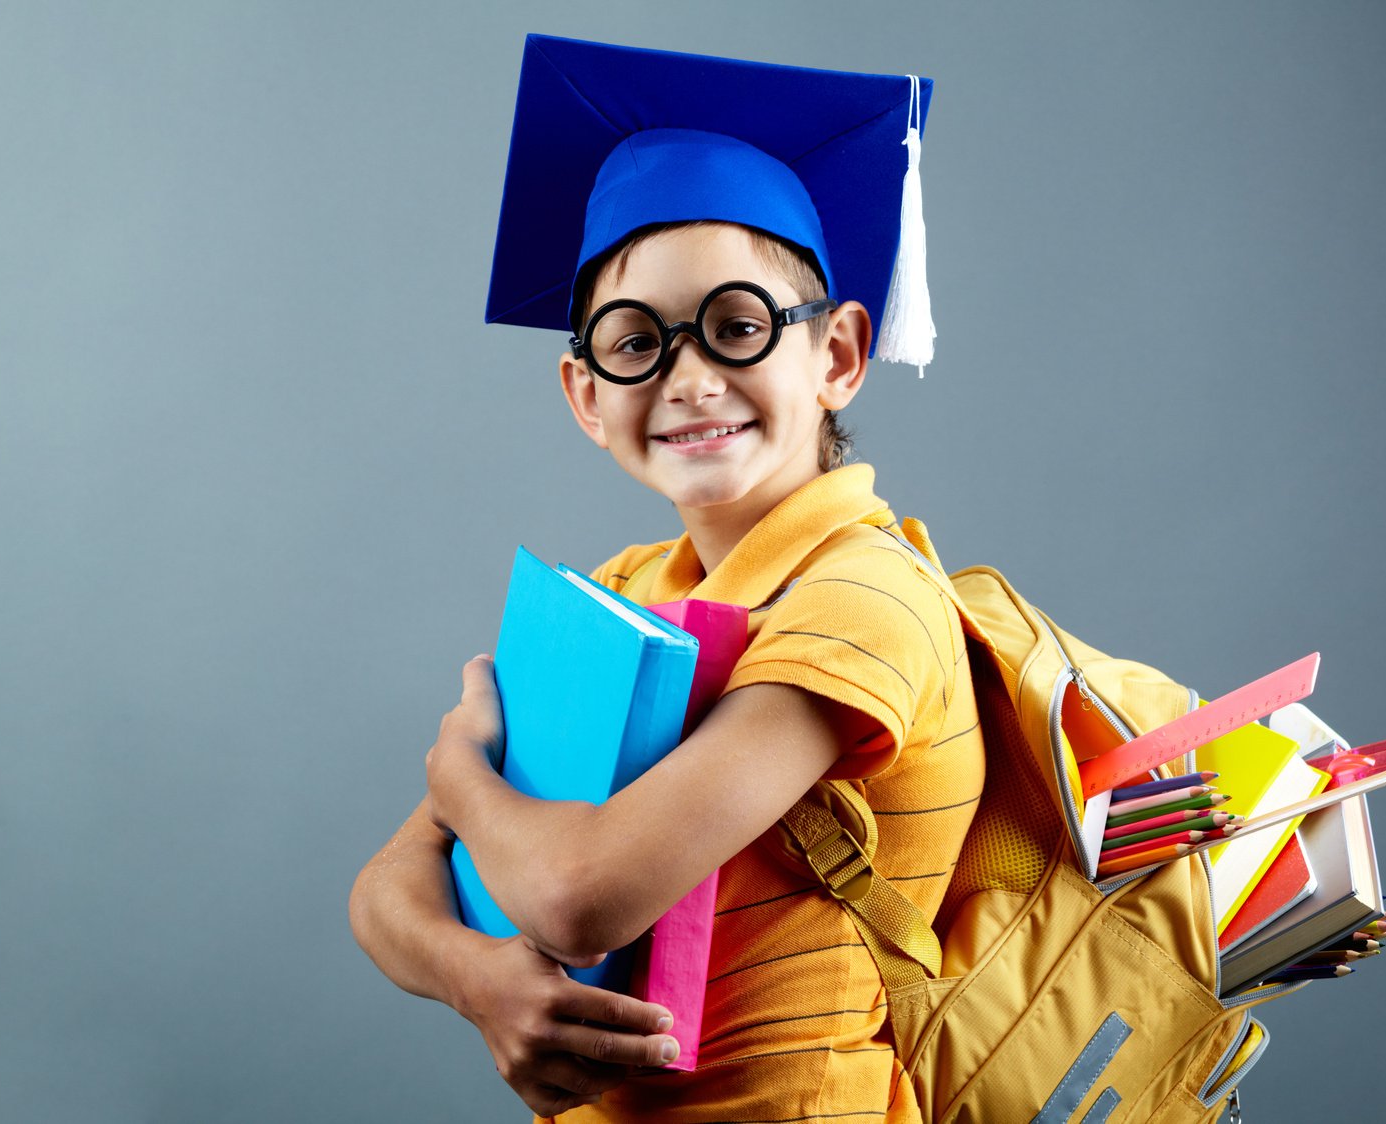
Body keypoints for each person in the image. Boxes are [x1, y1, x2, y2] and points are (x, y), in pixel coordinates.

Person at [349, 35, 984, 1123]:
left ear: (834, 355)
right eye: (635, 343)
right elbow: (382, 892)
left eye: (737, 327)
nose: (690, 379)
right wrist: (475, 978)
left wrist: (458, 771)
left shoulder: (864, 597)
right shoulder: (621, 589)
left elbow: (574, 894)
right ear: (586, 395)